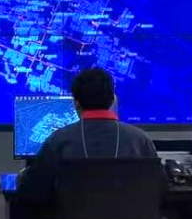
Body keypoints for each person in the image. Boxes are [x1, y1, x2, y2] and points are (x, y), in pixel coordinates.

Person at [16, 67, 159, 210]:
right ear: (112, 100)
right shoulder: (140, 140)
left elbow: (34, 189)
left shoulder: (58, 141)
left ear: (76, 103)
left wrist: (22, 177)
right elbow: (159, 188)